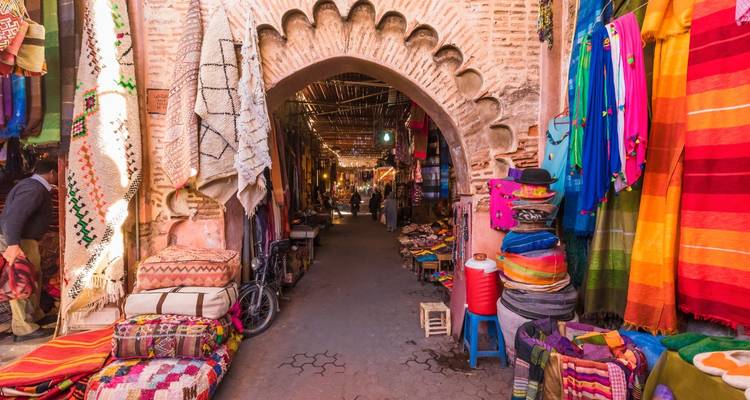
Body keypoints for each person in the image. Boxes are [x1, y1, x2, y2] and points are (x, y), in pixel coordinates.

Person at [0, 159, 57, 342]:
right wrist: (13, 244)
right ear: (52, 173)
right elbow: (14, 216)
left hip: (24, 240)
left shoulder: (32, 187)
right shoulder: (33, 189)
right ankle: (23, 327)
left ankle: (35, 316)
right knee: (20, 280)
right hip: (18, 241)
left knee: (32, 277)